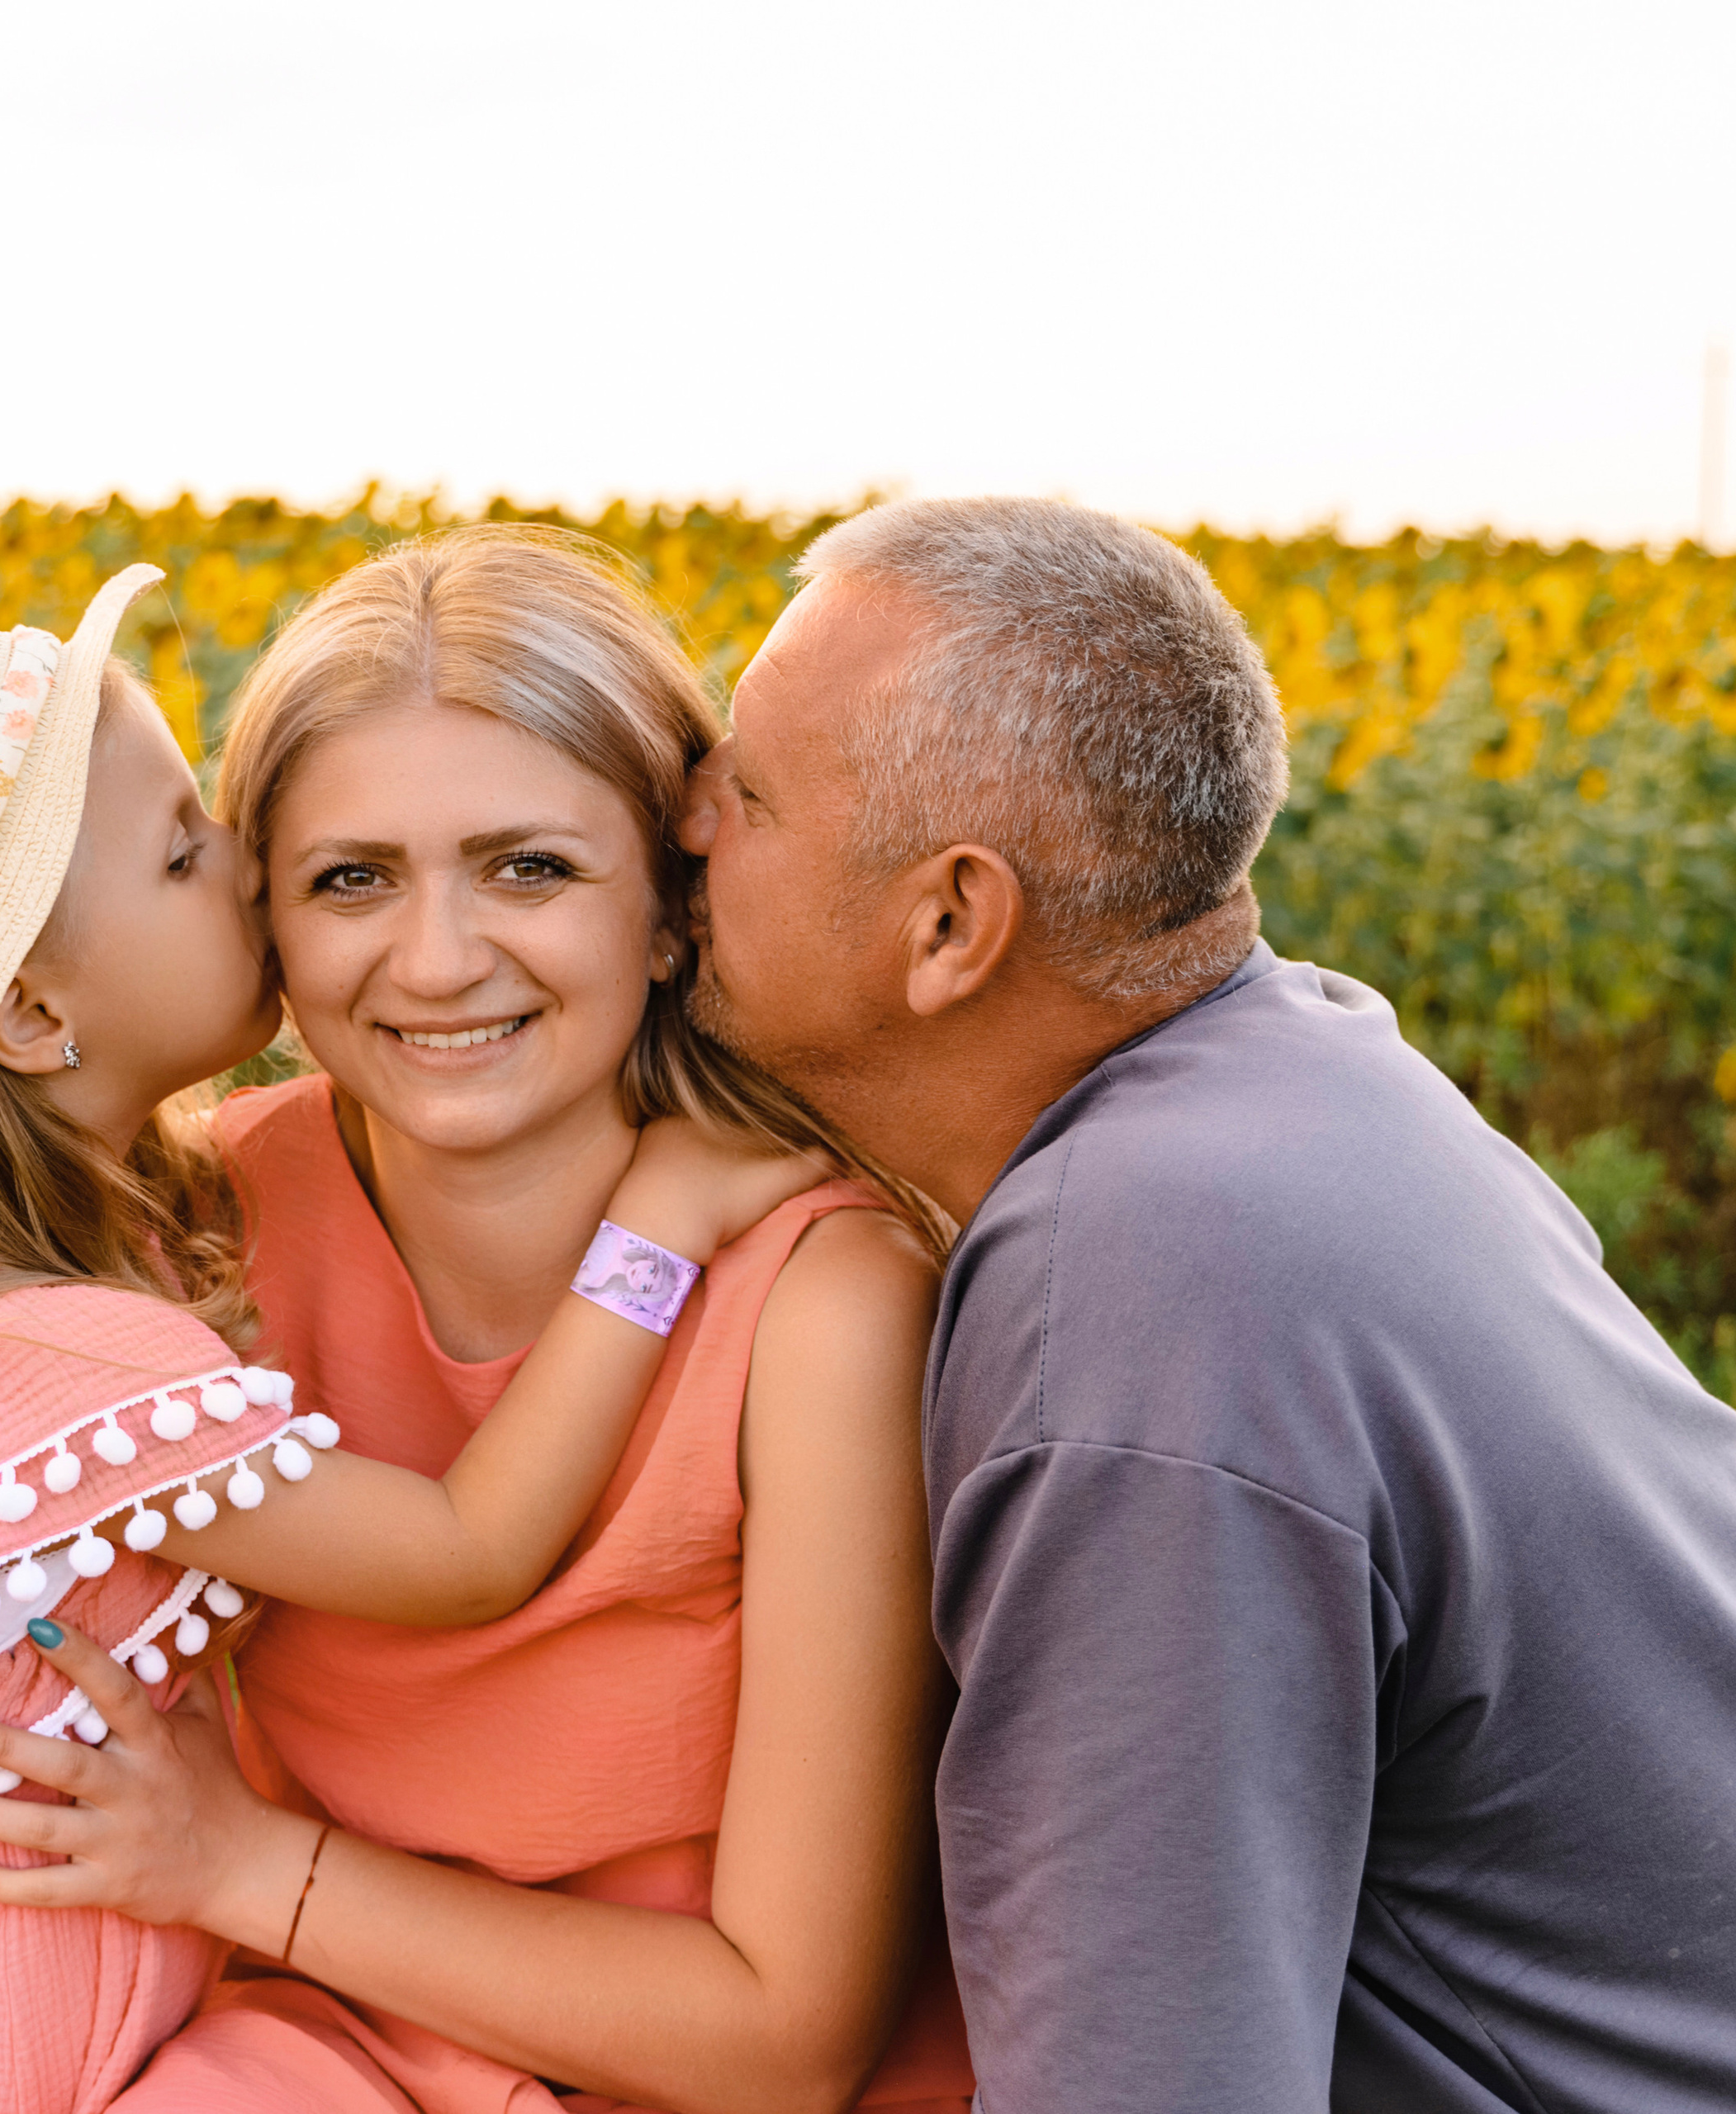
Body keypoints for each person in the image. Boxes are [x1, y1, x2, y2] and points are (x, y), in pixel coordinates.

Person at [0, 566, 814, 2114]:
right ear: (24, 1017)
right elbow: (470, 1550)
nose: (247, 879)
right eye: (192, 853)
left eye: (528, 864)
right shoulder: (73, 1340)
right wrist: (655, 1230)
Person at [676, 495, 1736, 2111]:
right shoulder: (1299, 1069)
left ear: (948, 921)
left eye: (745, 792)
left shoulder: (1138, 1306)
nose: (680, 820)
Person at [0, 527, 978, 2114]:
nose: (436, 961)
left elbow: (784, 2043)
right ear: (264, 921)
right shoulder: (199, 1228)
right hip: (308, 2044)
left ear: (673, 904)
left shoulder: (820, 1308)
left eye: (531, 868)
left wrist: (242, 1866)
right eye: (351, 879)